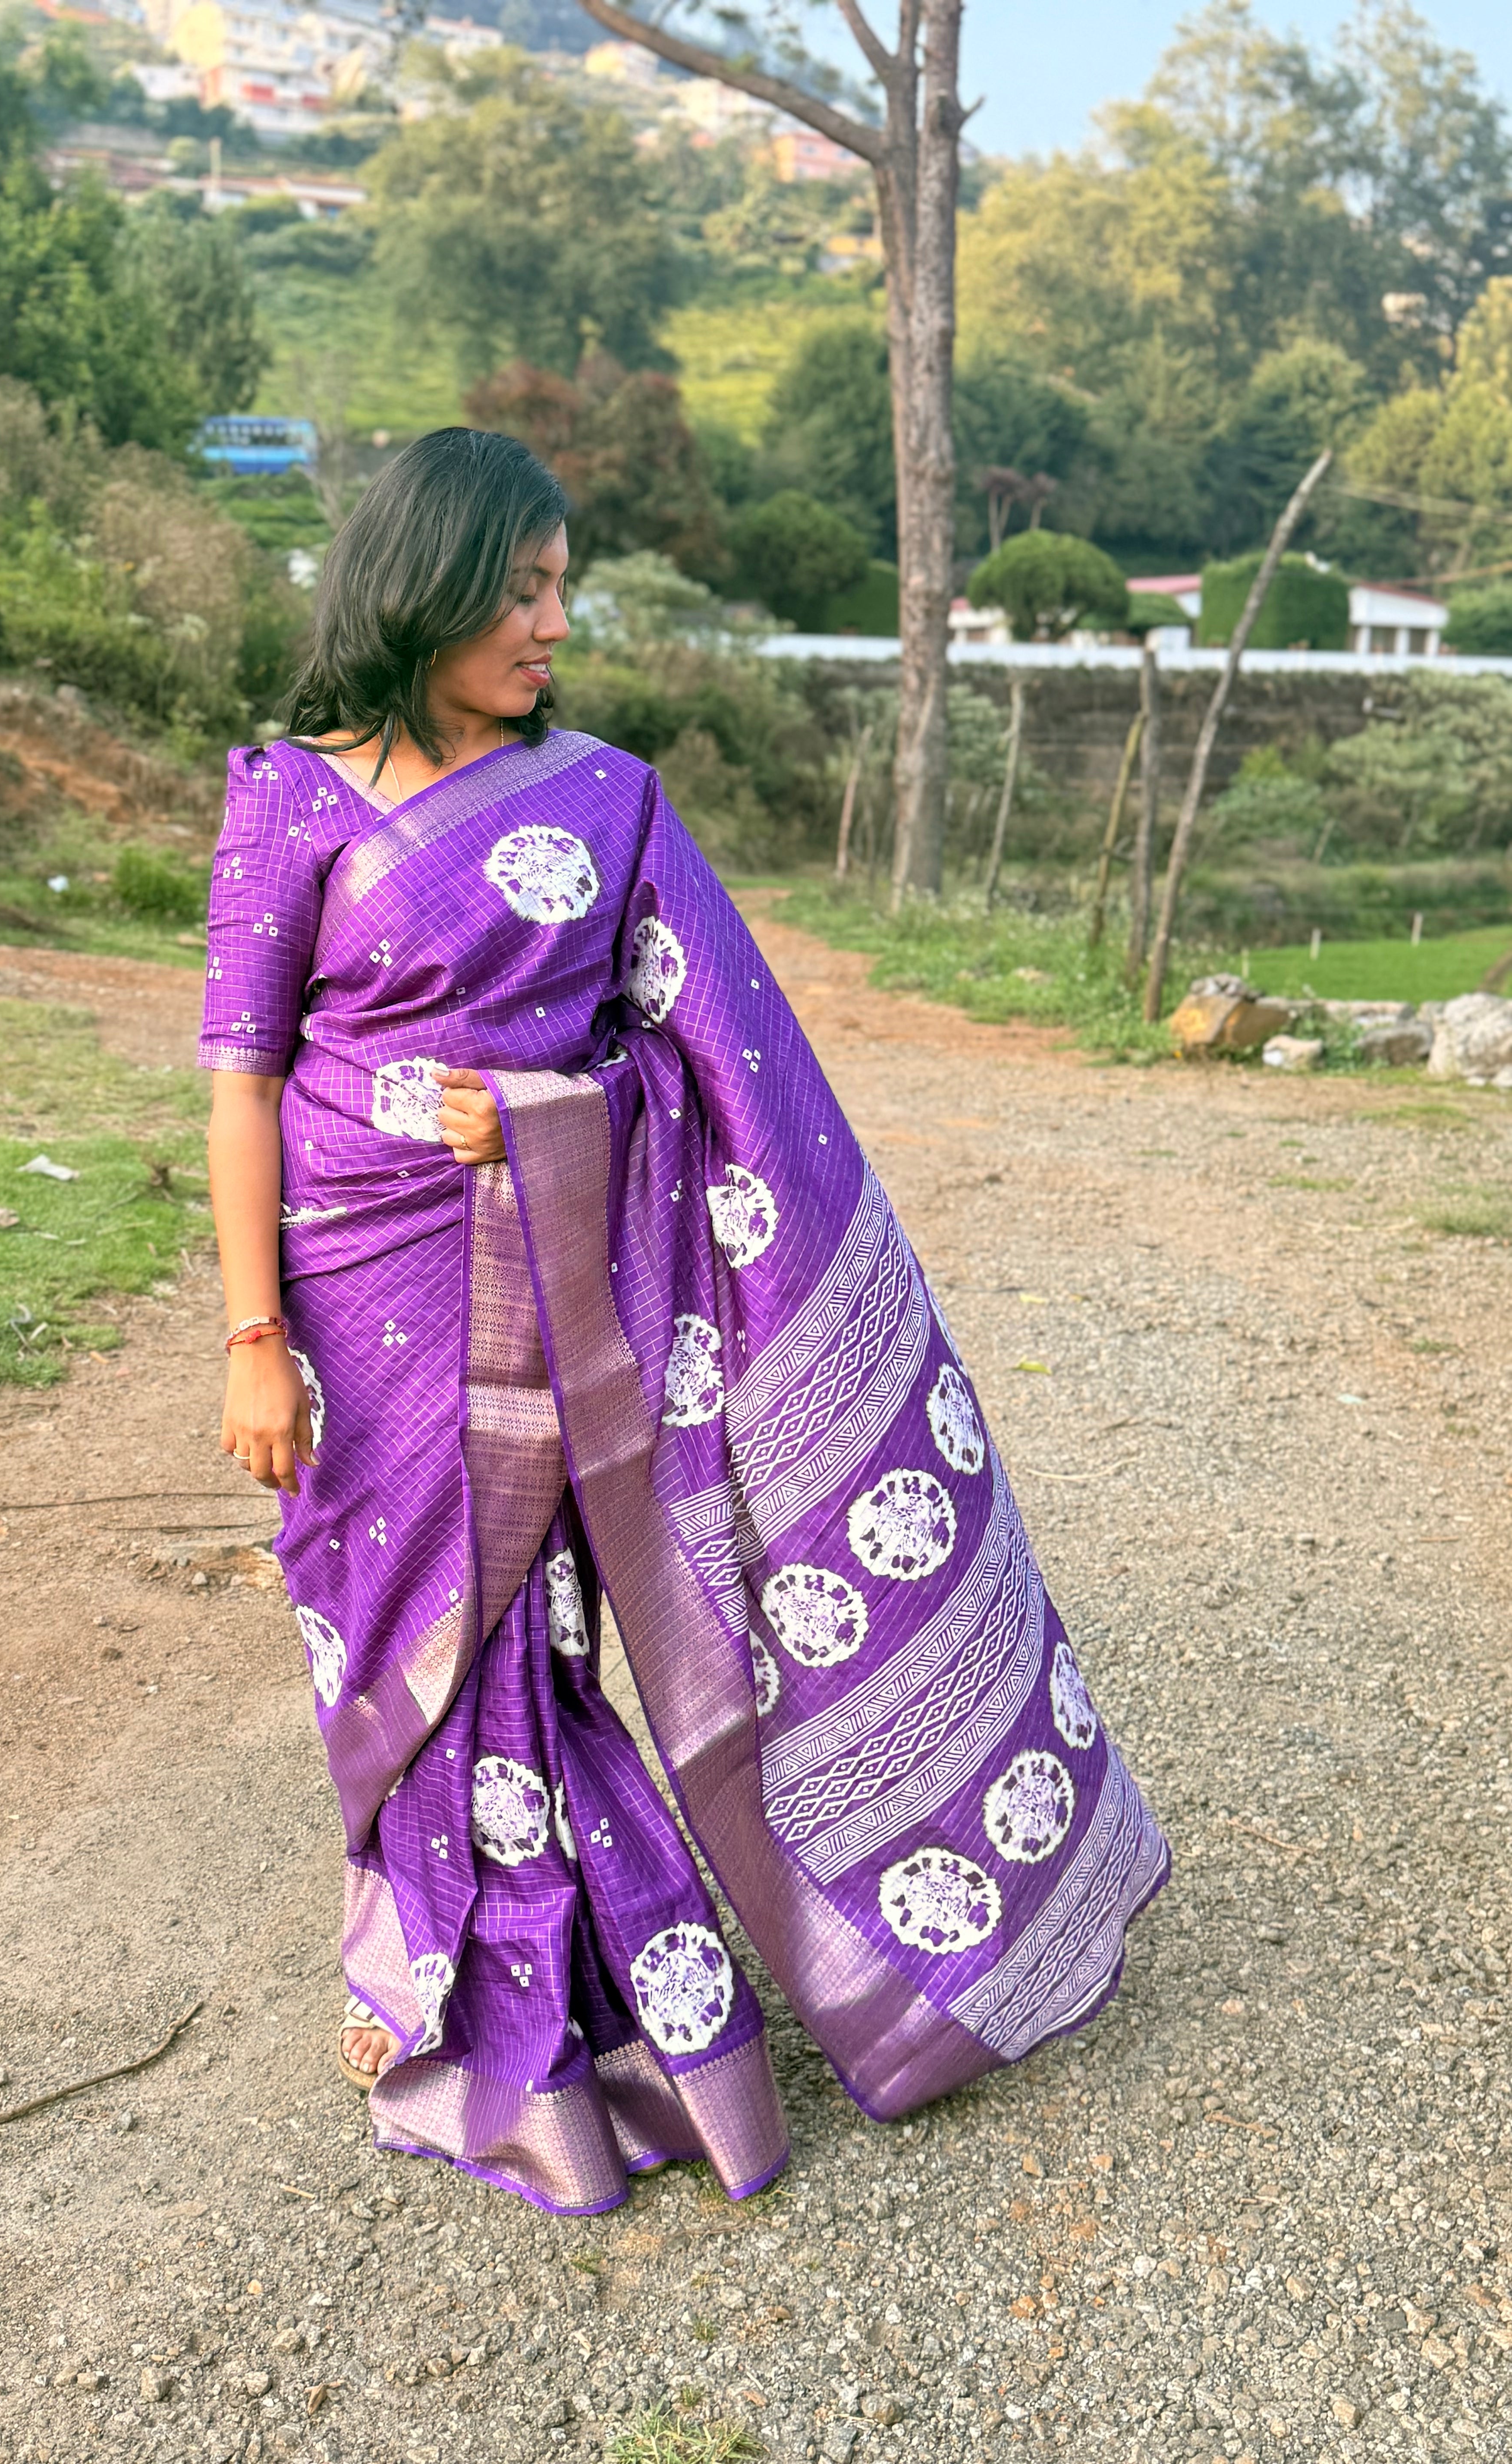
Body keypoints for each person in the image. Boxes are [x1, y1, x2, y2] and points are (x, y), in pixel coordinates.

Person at [200, 427, 1168, 2219]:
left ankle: (589, 2034)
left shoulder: (607, 801)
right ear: (426, 582)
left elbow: (714, 1067)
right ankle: (471, 2005)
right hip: (363, 1299)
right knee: (395, 1655)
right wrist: (255, 1338)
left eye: (564, 589)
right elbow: (247, 1081)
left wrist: (562, 1124)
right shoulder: (287, 800)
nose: (554, 622)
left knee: (536, 1639)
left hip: (548, 1283)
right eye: (525, 587)